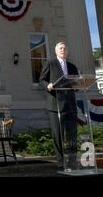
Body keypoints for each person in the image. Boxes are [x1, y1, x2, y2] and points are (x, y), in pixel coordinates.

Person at [39, 42, 78, 170]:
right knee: (58, 135)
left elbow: (77, 83)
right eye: (60, 48)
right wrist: (48, 86)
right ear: (56, 51)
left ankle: (73, 161)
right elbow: (42, 80)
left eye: (65, 48)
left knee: (72, 134)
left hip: (70, 105)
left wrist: (77, 86)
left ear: (67, 51)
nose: (63, 50)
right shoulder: (50, 63)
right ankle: (61, 161)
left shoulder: (72, 66)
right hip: (55, 105)